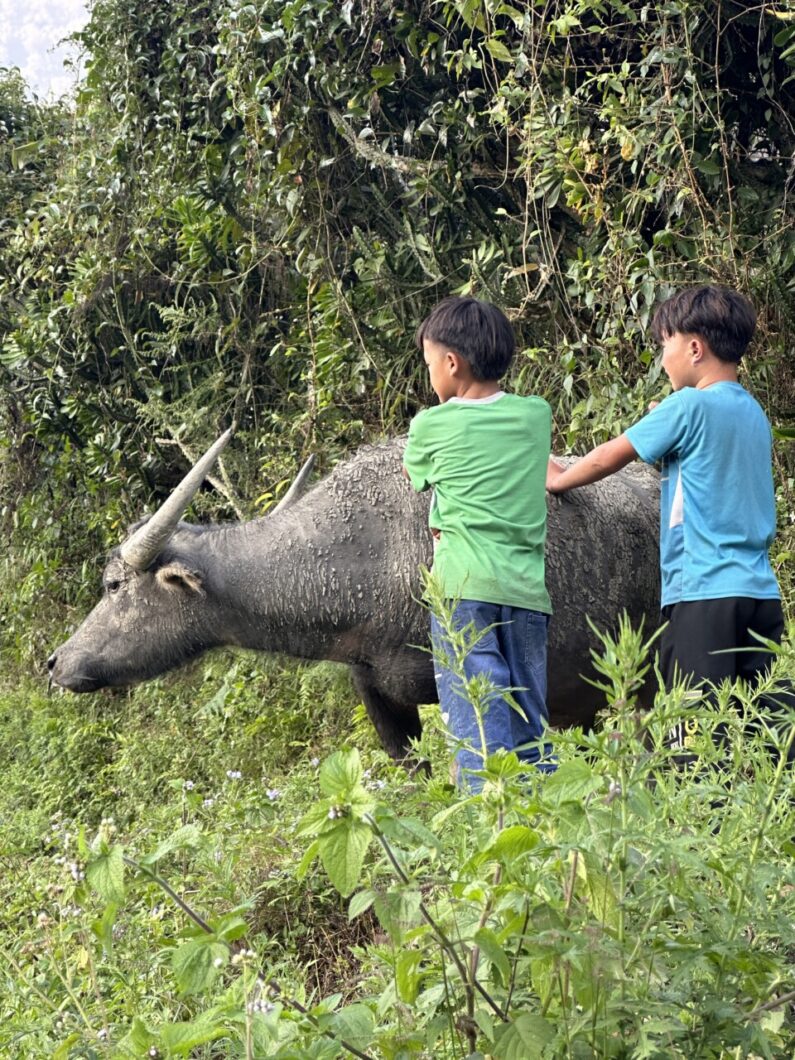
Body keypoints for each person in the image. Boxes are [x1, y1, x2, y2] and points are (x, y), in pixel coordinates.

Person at [546, 285, 786, 754]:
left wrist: (559, 478)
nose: (662, 359)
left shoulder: (688, 406)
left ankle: (699, 799)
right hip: (759, 594)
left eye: (664, 346)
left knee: (691, 732)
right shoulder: (752, 412)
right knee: (769, 723)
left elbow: (609, 456)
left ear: (694, 348)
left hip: (702, 595)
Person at [403, 296, 555, 788]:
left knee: (477, 718)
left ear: (452, 363)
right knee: (530, 716)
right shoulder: (536, 415)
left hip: (462, 590)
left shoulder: (429, 424)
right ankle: (543, 813)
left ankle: (487, 814)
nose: (430, 375)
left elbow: (417, 476)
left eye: (429, 363)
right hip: (525, 591)